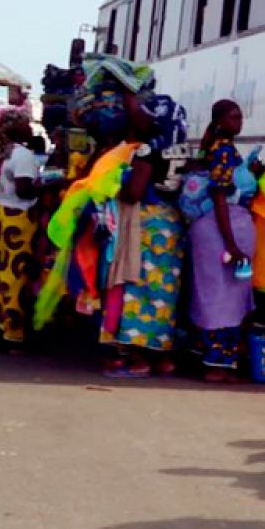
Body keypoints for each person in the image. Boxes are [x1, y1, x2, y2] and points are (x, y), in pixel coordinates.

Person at [101, 104, 185, 379]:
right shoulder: (182, 148)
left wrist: (115, 186)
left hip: (147, 225)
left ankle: (138, 358)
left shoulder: (148, 149)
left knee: (139, 289)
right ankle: (164, 358)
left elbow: (135, 192)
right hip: (171, 223)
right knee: (165, 292)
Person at [188, 100, 257, 382]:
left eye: (240, 117)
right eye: (233, 117)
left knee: (213, 295)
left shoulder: (215, 147)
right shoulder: (224, 150)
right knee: (222, 298)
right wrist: (231, 244)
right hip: (222, 231)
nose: (239, 121)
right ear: (220, 120)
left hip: (215, 230)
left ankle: (214, 359)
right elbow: (219, 196)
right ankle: (216, 366)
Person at [0, 113, 42, 351]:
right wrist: (45, 186)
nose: (30, 129)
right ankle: (13, 333)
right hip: (20, 220)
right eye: (27, 124)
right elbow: (25, 190)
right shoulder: (23, 155)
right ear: (18, 129)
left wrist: (1, 191)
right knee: (17, 276)